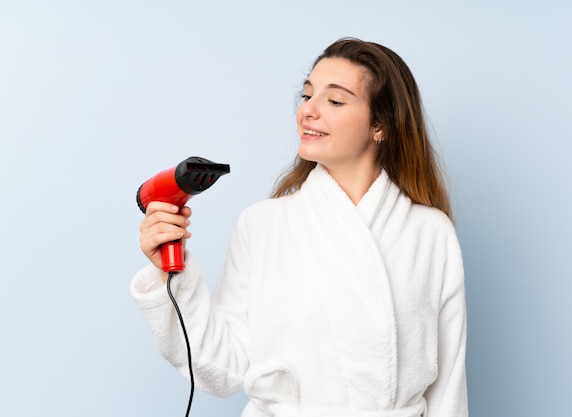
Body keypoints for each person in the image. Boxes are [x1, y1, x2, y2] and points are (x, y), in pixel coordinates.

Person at [131, 38, 468, 417]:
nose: (309, 110)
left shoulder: (431, 234)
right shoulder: (262, 224)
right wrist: (169, 276)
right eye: (307, 95)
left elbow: (448, 389)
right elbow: (221, 367)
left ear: (380, 125)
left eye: (335, 101)